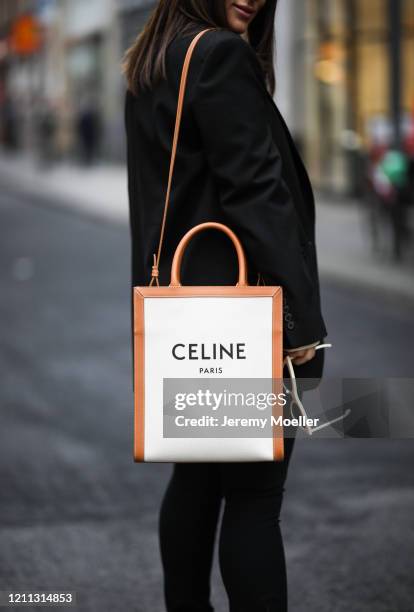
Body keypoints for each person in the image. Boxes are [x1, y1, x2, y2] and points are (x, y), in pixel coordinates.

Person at [123, 1, 328, 610]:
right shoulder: (217, 54)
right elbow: (257, 191)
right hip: (239, 323)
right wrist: (300, 322)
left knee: (195, 481)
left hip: (184, 319)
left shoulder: (155, 60)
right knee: (255, 499)